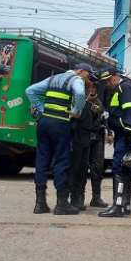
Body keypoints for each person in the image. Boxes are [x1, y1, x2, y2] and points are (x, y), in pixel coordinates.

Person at [25, 63, 91, 215]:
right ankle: (61, 204)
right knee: (61, 161)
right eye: (87, 74)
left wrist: (42, 109)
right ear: (81, 71)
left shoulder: (53, 78)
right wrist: (76, 111)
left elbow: (30, 91)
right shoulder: (76, 79)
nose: (87, 78)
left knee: (42, 160)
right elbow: (80, 95)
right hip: (60, 124)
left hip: (44, 123)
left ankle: (40, 204)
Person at [97, 68, 131, 218]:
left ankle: (118, 206)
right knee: (125, 168)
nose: (108, 83)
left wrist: (128, 130)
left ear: (116, 77)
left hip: (125, 134)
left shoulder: (125, 87)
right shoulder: (118, 90)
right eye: (106, 81)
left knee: (119, 169)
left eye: (109, 80)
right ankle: (125, 205)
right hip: (123, 134)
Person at [68, 77, 107, 211]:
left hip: (96, 136)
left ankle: (96, 197)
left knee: (98, 167)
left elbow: (102, 115)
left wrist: (109, 131)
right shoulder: (79, 100)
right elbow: (74, 116)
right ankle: (78, 198)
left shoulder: (98, 102)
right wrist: (86, 103)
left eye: (94, 88)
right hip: (82, 136)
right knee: (80, 168)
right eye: (90, 88)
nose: (92, 90)